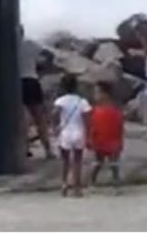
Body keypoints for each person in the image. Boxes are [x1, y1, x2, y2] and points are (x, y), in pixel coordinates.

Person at [53, 75, 92, 197]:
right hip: (79, 132)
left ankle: (64, 184)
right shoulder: (82, 101)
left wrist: (55, 127)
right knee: (77, 161)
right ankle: (77, 188)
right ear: (76, 86)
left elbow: (55, 114)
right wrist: (88, 133)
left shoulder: (60, 101)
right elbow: (87, 119)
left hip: (65, 132)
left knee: (65, 161)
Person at [19, 25, 54, 159]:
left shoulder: (8, 46)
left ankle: (24, 149)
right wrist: (42, 68)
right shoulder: (30, 44)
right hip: (32, 80)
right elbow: (49, 54)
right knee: (40, 118)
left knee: (22, 119)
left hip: (15, 83)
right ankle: (48, 151)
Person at [89, 82, 124, 193]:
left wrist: (119, 142)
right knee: (97, 163)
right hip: (99, 140)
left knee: (114, 164)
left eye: (97, 92)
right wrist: (90, 139)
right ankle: (92, 183)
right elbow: (92, 126)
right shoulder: (95, 110)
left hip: (112, 140)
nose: (95, 95)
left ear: (106, 94)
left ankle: (115, 185)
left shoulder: (114, 111)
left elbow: (119, 127)